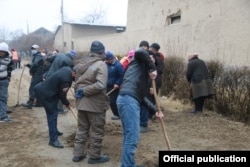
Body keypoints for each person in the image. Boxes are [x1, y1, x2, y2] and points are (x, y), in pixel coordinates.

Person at [116, 48, 164, 167]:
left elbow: (142, 97)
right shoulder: (137, 61)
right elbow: (140, 52)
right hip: (128, 101)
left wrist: (156, 110)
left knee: (129, 136)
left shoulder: (142, 76)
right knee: (132, 138)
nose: (151, 61)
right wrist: (152, 67)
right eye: (150, 59)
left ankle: (128, 164)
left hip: (125, 99)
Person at [72, 40, 110, 164]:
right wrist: (85, 91)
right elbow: (100, 84)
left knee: (82, 129)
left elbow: (76, 81)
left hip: (81, 103)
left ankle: (78, 154)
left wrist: (80, 91)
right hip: (95, 104)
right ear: (102, 52)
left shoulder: (81, 63)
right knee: (97, 130)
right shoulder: (101, 64)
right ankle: (94, 156)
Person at [34, 66, 75, 148]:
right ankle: (53, 140)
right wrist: (67, 104)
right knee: (52, 115)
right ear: (74, 73)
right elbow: (62, 95)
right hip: (46, 94)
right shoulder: (66, 80)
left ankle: (55, 131)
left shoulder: (67, 69)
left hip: (43, 89)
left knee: (54, 112)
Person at [22, 44, 45, 109]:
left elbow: (35, 65)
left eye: (34, 49)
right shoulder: (37, 56)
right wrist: (28, 65)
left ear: (38, 49)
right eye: (32, 49)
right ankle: (39, 102)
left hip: (37, 74)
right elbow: (36, 65)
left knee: (32, 88)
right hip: (39, 74)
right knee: (38, 88)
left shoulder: (38, 56)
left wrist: (31, 71)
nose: (33, 50)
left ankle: (30, 103)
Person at [105, 51, 124, 120]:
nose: (106, 61)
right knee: (110, 101)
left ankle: (117, 114)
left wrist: (117, 83)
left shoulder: (118, 65)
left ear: (111, 59)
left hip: (114, 87)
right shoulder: (106, 64)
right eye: (106, 60)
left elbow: (121, 75)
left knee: (113, 102)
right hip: (107, 86)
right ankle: (116, 114)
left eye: (107, 60)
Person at [0, 42, 13, 122]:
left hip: (4, 80)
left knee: (3, 98)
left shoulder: (9, 59)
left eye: (2, 51)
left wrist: (8, 77)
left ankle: (3, 116)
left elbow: (9, 69)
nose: (1, 52)